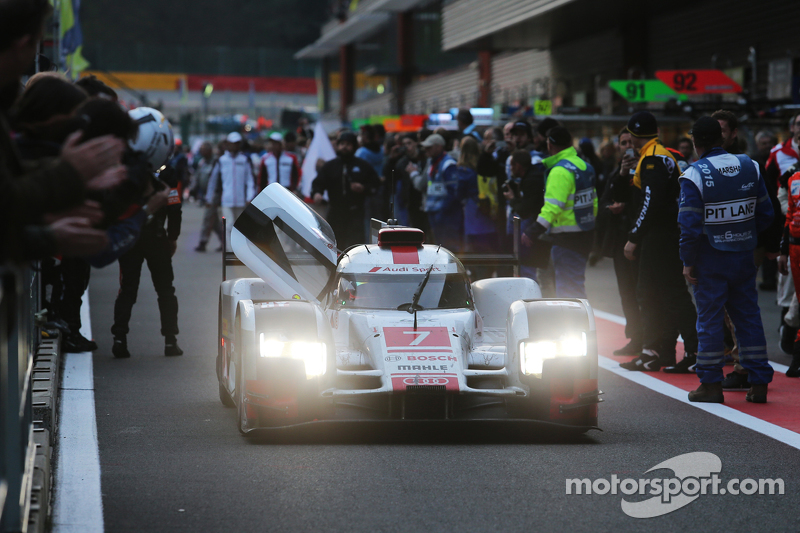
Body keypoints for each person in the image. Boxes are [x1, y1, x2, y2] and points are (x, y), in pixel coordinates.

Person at [679, 117, 775, 403]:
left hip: (711, 258)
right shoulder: (750, 166)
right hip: (744, 254)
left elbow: (689, 227)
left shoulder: (694, 174)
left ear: (696, 142)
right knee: (748, 317)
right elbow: (766, 214)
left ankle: (711, 385)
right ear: (721, 139)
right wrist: (744, 236)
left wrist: (687, 262)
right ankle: (758, 383)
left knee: (709, 320)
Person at [621, 111, 698, 372]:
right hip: (663, 235)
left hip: (660, 236)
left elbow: (650, 203)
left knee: (671, 294)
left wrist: (634, 236)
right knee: (652, 293)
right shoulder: (660, 153)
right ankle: (658, 351)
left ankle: (692, 351)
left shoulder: (653, 159)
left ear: (632, 134)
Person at [111, 110, 183, 358]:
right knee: (165, 290)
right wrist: (172, 236)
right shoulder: (169, 174)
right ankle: (170, 341)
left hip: (131, 236)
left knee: (127, 289)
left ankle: (119, 339)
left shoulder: (124, 170)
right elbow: (175, 207)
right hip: (156, 238)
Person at [522, 126, 597, 298]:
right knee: (576, 284)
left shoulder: (559, 171)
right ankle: (581, 322)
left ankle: (576, 323)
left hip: (565, 239)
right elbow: (594, 203)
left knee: (568, 290)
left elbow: (552, 207)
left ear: (550, 144)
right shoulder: (585, 166)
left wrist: (533, 230)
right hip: (586, 233)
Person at [596, 128, 643, 356]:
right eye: (623, 143)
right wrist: (611, 208)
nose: (627, 147)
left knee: (645, 293)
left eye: (630, 142)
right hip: (620, 243)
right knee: (627, 293)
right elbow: (603, 203)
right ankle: (635, 337)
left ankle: (654, 339)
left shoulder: (648, 170)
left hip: (642, 242)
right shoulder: (617, 174)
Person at [312, 131, 379, 249]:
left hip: (356, 213)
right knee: (335, 245)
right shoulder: (330, 166)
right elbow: (318, 183)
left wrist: (363, 188)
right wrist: (317, 193)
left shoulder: (363, 166)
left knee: (356, 246)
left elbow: (375, 185)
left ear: (354, 146)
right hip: (335, 213)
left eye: (348, 144)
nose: (344, 147)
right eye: (342, 144)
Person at [205, 131, 256, 250]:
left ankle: (241, 251)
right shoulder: (221, 161)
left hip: (241, 200)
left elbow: (250, 180)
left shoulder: (244, 160)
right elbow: (213, 181)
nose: (234, 146)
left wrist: (249, 196)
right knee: (228, 225)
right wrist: (209, 198)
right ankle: (230, 251)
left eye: (237, 143)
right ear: (227, 144)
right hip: (227, 200)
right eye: (232, 143)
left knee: (241, 227)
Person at [504, 150, 550, 281]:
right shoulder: (533, 176)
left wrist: (512, 199)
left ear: (518, 166)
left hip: (535, 228)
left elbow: (525, 210)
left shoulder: (531, 180)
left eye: (512, 165)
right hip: (539, 227)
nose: (511, 169)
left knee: (530, 269)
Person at [411, 133, 460, 251]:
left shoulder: (448, 164)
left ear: (439, 147)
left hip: (446, 214)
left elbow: (453, 191)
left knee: (449, 246)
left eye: (429, 147)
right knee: (439, 245)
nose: (425, 150)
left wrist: (444, 209)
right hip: (433, 212)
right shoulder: (432, 163)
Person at [456, 136, 496, 278]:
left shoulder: (463, 170)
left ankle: (478, 277)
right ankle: (487, 275)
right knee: (487, 248)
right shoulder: (482, 165)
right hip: (486, 210)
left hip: (472, 213)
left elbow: (459, 193)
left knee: (474, 249)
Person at [779, 165, 800, 378]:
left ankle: (796, 358)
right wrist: (783, 251)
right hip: (795, 247)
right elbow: (789, 216)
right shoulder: (793, 178)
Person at [194, 142, 224, 252]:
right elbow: (197, 176)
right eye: (201, 149)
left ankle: (203, 242)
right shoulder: (202, 162)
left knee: (208, 217)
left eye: (204, 149)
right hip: (206, 194)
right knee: (215, 221)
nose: (202, 152)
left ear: (210, 150)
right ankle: (224, 241)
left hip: (214, 194)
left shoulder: (216, 162)